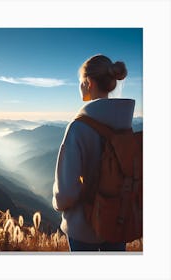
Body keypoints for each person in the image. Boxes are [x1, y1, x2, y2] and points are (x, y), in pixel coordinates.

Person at [52, 54, 135, 251]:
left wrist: (58, 203)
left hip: (83, 226)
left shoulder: (78, 127)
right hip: (118, 220)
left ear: (88, 83)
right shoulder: (126, 125)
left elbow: (66, 193)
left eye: (80, 82)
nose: (80, 86)